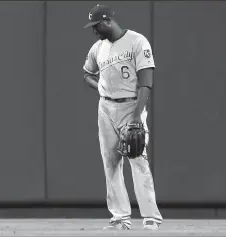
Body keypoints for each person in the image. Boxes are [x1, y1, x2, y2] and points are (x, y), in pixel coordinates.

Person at [82, 4, 163, 230]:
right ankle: (120, 217)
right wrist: (99, 87)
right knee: (111, 163)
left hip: (131, 106)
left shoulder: (137, 41)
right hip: (105, 108)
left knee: (137, 159)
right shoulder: (97, 49)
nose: (94, 30)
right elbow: (87, 73)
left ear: (108, 21)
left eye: (96, 25)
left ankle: (150, 217)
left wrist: (137, 117)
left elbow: (146, 82)